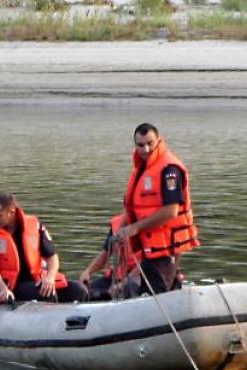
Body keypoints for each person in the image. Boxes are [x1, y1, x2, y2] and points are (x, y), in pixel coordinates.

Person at [111, 123, 199, 295]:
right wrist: (121, 230)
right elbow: (132, 207)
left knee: (159, 293)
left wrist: (135, 227)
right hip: (150, 247)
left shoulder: (169, 170)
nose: (146, 149)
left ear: (159, 141)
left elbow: (171, 211)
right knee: (155, 290)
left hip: (164, 246)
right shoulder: (142, 168)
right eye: (141, 145)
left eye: (150, 143)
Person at [0, 192, 88, 309]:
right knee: (46, 294)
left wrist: (50, 278)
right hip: (11, 286)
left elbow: (52, 257)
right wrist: (3, 290)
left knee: (79, 290)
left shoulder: (34, 225)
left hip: (36, 280)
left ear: (11, 212)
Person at [78, 214, 141, 301]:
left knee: (129, 287)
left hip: (141, 276)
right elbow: (105, 254)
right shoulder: (117, 223)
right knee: (83, 291)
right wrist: (88, 272)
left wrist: (123, 283)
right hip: (119, 275)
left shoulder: (149, 223)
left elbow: (147, 262)